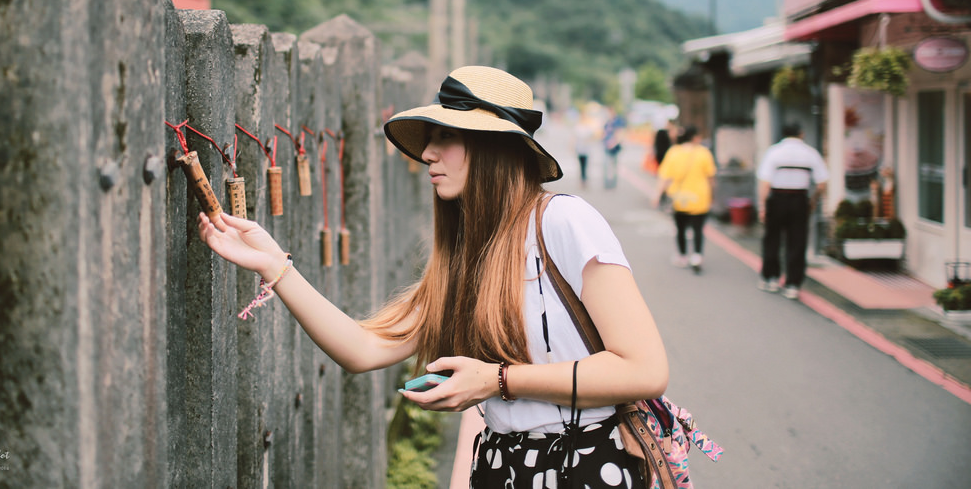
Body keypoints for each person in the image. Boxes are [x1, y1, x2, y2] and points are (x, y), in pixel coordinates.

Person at [198, 66, 668, 488]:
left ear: (492, 147)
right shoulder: (466, 254)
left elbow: (645, 370)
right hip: (502, 467)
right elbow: (364, 349)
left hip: (584, 466)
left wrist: (497, 380)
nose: (427, 153)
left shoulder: (564, 222)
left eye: (445, 137)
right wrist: (275, 266)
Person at [756, 122, 829, 299]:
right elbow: (822, 183)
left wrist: (762, 206)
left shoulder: (774, 152)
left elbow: (765, 183)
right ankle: (793, 284)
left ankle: (771, 278)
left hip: (777, 199)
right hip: (799, 199)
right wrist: (813, 200)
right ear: (801, 134)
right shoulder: (810, 153)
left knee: (772, 239)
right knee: (797, 241)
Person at [652, 126, 717, 273]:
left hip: (679, 198)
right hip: (700, 197)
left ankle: (682, 256)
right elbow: (711, 177)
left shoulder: (674, 152)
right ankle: (697, 256)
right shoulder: (704, 153)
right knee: (698, 228)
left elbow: (664, 177)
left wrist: (657, 195)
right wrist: (713, 195)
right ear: (694, 137)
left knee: (680, 229)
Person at [601, 108, 626, 189]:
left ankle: (613, 183)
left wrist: (614, 143)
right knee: (606, 165)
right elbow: (604, 133)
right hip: (606, 145)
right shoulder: (607, 122)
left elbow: (620, 133)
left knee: (613, 165)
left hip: (614, 147)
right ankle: (607, 183)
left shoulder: (618, 121)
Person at [572, 109, 596, 186]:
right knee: (581, 164)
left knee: (585, 165)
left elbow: (592, 136)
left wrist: (588, 140)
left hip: (586, 149)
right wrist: (572, 146)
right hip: (579, 148)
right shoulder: (578, 126)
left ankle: (584, 179)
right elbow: (574, 137)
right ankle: (582, 179)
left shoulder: (588, 126)